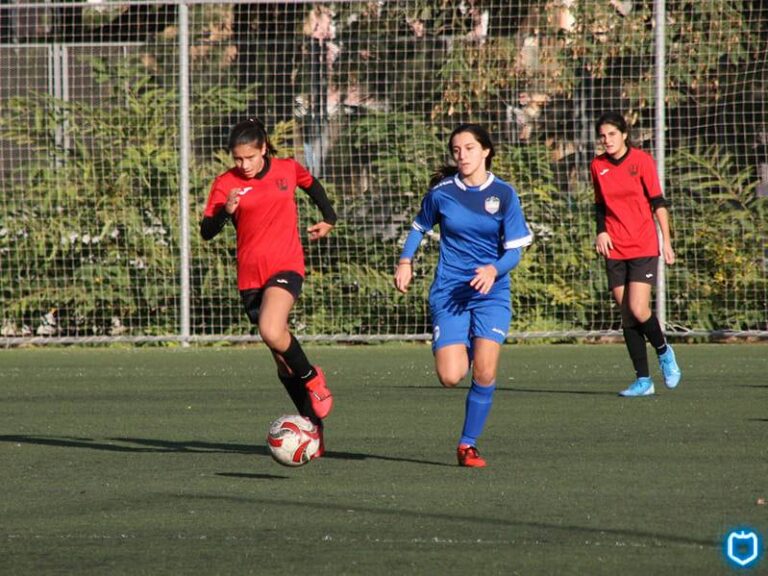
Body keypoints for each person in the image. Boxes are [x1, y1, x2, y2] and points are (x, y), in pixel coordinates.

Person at [394, 124, 533, 468]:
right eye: (456, 150)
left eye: (469, 148)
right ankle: (466, 343)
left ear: (485, 151)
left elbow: (514, 251)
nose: (462, 156)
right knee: (450, 377)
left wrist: (493, 270)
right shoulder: (442, 193)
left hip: (491, 293)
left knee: (484, 374)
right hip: (450, 292)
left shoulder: (504, 194)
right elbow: (418, 227)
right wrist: (405, 261)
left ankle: (467, 445)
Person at [200, 118, 336, 456]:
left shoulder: (287, 169)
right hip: (250, 278)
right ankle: (312, 429)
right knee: (281, 360)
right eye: (237, 159)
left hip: (285, 265)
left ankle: (314, 379)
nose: (243, 165)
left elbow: (312, 185)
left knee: (272, 329)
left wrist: (328, 218)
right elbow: (206, 231)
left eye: (249, 157)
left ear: (263, 148)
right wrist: (225, 212)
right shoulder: (224, 184)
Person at [591, 111, 682, 397]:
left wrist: (666, 241)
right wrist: (601, 231)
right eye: (603, 136)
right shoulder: (597, 165)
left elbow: (658, 202)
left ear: (624, 134)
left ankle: (664, 352)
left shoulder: (641, 161)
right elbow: (599, 205)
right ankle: (643, 380)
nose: (607, 140)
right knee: (627, 314)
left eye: (612, 134)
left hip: (642, 245)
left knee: (640, 308)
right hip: (614, 247)